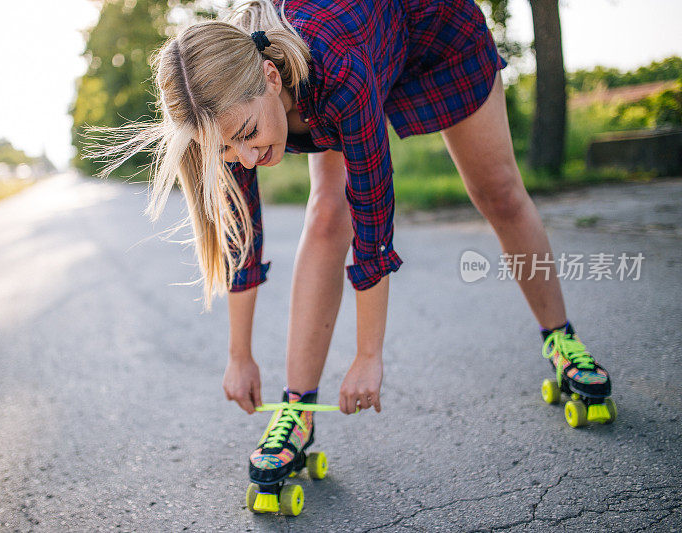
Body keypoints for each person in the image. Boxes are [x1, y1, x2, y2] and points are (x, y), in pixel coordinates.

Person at [86, 0, 612, 487]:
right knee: (324, 213)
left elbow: (374, 224)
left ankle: (561, 339)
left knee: (496, 191)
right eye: (226, 148)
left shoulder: (340, 77)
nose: (244, 158)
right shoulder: (221, 99)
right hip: (350, 48)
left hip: (431, 28)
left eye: (248, 134)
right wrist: (239, 355)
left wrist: (368, 355)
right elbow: (240, 236)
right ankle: (297, 411)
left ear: (271, 76)